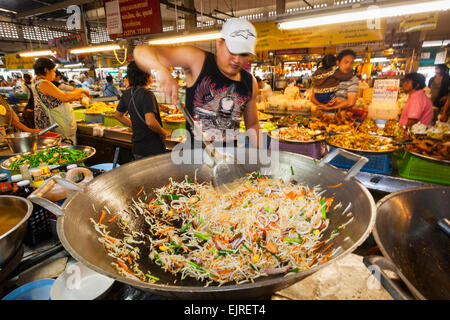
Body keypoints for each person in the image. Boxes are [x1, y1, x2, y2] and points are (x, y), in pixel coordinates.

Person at [134, 18, 262, 147]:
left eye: (244, 54)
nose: (237, 60)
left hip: (230, 158)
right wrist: (160, 69)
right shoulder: (198, 61)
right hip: (195, 159)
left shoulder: (249, 82)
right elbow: (141, 51)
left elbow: (252, 125)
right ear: (219, 44)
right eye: (232, 51)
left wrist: (259, 157)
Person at [114, 61, 170, 159]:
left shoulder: (127, 94)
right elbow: (150, 122)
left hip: (137, 147)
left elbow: (118, 115)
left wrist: (135, 124)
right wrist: (164, 132)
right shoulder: (147, 94)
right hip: (152, 148)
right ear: (146, 76)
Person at [31, 58, 89, 144]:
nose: (54, 74)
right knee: (64, 149)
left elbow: (53, 99)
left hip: (48, 122)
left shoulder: (35, 81)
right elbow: (64, 97)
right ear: (46, 70)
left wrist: (74, 97)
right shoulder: (43, 83)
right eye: (53, 71)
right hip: (55, 123)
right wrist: (81, 90)